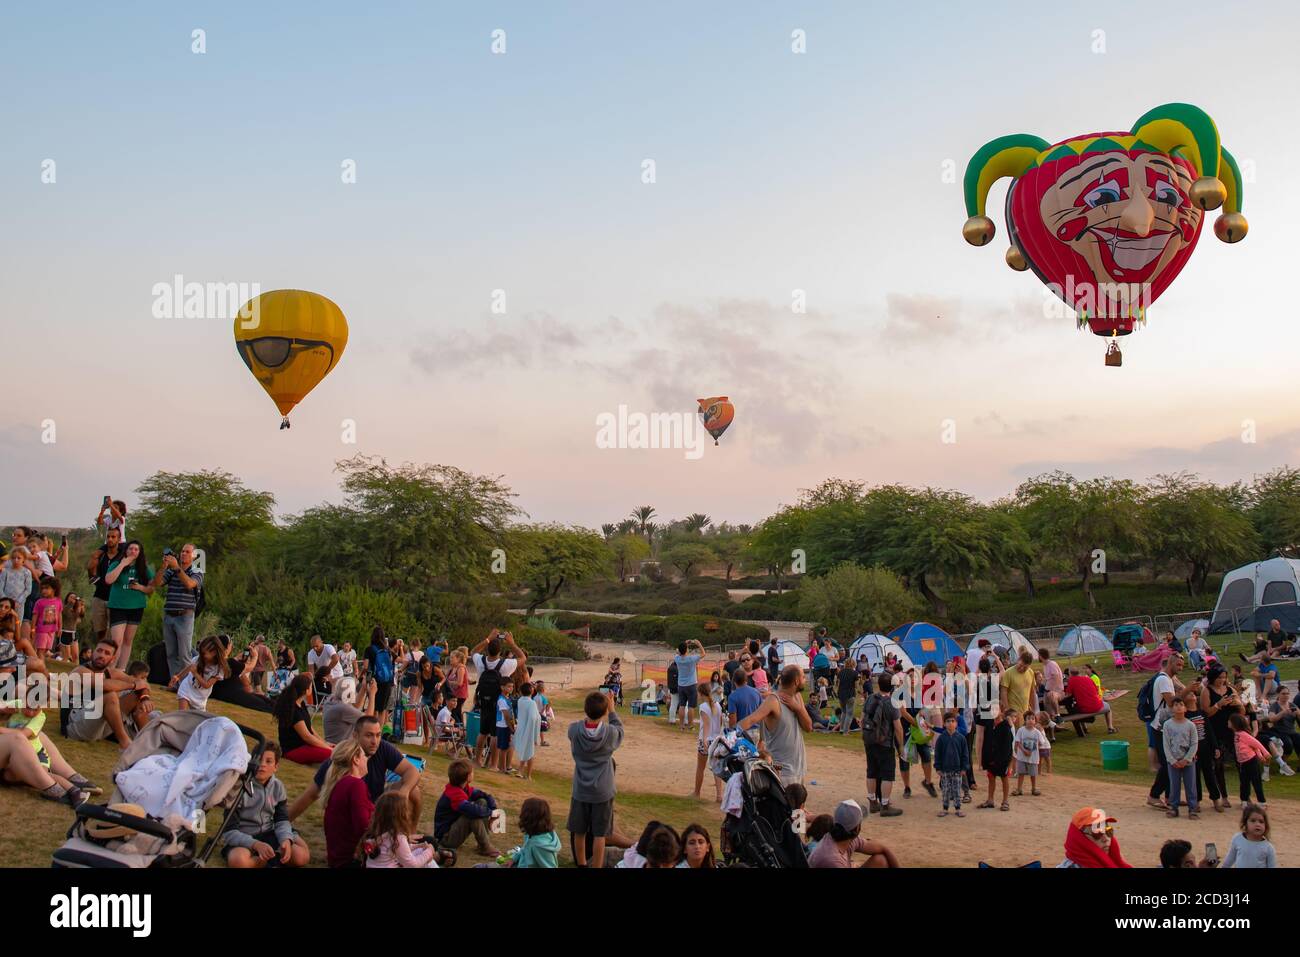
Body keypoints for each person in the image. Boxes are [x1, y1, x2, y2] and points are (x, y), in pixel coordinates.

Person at [291, 714, 421, 823]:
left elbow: (412, 771)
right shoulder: (341, 758)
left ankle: (410, 835)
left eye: (378, 735)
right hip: (352, 814)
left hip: (375, 805)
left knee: (414, 790)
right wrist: (283, 824)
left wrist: (404, 791)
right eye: (369, 735)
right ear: (355, 736)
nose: (374, 741)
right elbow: (310, 795)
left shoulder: (382, 748)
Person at [223, 742, 311, 868]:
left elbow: (282, 820)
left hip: (270, 832)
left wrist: (285, 839)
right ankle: (263, 861)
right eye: (259, 760)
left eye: (268, 761)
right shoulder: (238, 787)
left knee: (302, 856)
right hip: (245, 838)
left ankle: (272, 854)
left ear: (276, 766)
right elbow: (229, 831)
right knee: (238, 861)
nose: (262, 764)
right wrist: (255, 844)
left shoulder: (278, 786)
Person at [567, 689, 623, 868]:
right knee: (600, 834)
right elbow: (620, 730)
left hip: (581, 789)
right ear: (605, 711)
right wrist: (612, 710)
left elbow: (576, 729)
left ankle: (582, 864)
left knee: (579, 831)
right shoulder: (610, 734)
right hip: (603, 791)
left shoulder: (574, 730)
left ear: (585, 709)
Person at [68, 637, 155, 749]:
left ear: (112, 659)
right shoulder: (80, 671)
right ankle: (125, 743)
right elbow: (104, 685)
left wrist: (145, 698)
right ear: (93, 653)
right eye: (99, 651)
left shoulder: (113, 672)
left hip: (99, 726)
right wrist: (133, 685)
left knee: (136, 697)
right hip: (75, 725)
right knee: (110, 695)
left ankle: (147, 742)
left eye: (107, 653)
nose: (102, 655)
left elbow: (143, 683)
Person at [738, 665, 810, 787]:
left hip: (799, 768)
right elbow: (751, 719)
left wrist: (798, 708)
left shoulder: (797, 697)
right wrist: (729, 734)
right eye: (803, 677)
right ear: (796, 681)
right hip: (783, 771)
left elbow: (808, 727)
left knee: (799, 806)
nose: (806, 679)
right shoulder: (773, 700)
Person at [469, 629, 525, 765]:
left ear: (487, 650)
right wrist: (512, 644)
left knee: (482, 732)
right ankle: (493, 764)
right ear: (500, 651)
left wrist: (488, 638)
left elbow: (473, 652)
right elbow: (523, 658)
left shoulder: (480, 660)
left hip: (483, 700)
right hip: (498, 701)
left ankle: (477, 760)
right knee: (494, 734)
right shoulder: (506, 664)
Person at [150, 543, 202, 682]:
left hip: (184, 616)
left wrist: (177, 568)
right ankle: (175, 683)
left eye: (187, 552)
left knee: (184, 654)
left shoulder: (196, 571)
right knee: (171, 653)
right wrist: (164, 567)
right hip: (169, 614)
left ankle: (185, 685)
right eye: (182, 551)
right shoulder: (171, 571)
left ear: (194, 555)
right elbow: (156, 583)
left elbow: (190, 584)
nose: (183, 554)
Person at [432, 758, 500, 858]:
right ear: (468, 776)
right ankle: (485, 846)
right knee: (472, 814)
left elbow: (484, 795)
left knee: (482, 801)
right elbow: (472, 810)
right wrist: (492, 814)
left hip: (453, 829)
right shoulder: (454, 794)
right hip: (445, 839)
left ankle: (483, 844)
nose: (474, 774)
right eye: (472, 772)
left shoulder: (464, 788)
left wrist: (493, 809)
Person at [321, 738, 373, 867]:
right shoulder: (356, 785)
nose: (366, 759)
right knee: (427, 844)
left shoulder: (338, 783)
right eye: (364, 755)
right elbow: (363, 827)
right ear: (355, 759)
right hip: (352, 861)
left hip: (338, 860)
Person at [363, 792, 446, 868]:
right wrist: (430, 851)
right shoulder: (397, 837)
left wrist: (417, 846)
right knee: (426, 857)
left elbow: (399, 850)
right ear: (401, 816)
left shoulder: (377, 830)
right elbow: (413, 865)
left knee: (421, 850)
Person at [807, 800, 899, 868]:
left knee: (880, 860)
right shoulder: (832, 860)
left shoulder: (844, 837)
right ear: (857, 828)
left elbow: (883, 848)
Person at [862, 673, 905, 817]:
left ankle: (873, 802)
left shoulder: (869, 698)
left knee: (871, 771)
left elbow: (863, 719)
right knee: (887, 774)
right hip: (885, 742)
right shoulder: (892, 703)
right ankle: (885, 805)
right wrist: (900, 746)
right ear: (892, 687)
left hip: (869, 741)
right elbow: (898, 728)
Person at [275, 673, 332, 764]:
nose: (312, 689)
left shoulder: (301, 704)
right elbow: (307, 737)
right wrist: (328, 748)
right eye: (310, 687)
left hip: (304, 746)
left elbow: (310, 729)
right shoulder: (294, 709)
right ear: (306, 691)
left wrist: (325, 743)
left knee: (336, 749)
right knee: (334, 755)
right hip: (293, 750)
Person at [169, 634, 229, 711]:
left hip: (200, 697)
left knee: (197, 719)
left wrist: (196, 674)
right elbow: (190, 667)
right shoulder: (199, 658)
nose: (202, 655)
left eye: (204, 653)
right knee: (182, 713)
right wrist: (178, 676)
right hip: (188, 688)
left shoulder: (218, 669)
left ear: (214, 652)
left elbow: (207, 685)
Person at [84, 528, 123, 645]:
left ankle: (111, 658)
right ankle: (100, 654)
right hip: (99, 596)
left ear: (119, 539)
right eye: (108, 537)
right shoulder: (101, 555)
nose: (110, 539)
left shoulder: (122, 557)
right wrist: (92, 563)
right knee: (100, 631)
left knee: (114, 632)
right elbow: (91, 577)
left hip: (115, 598)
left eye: (113, 537)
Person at [1162, 695, 1199, 819]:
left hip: (1188, 760)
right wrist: (1172, 760)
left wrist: (1187, 759)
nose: (1178, 707)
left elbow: (1194, 743)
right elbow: (1166, 744)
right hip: (1173, 760)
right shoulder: (1167, 725)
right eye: (1176, 705)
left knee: (1190, 785)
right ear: (1172, 709)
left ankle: (1192, 808)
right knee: (1174, 785)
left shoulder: (1190, 725)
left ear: (1185, 709)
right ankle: (1173, 807)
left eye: (1181, 705)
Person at [1058, 807, 1130, 868]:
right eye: (1097, 833)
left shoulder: (1114, 860)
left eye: (1108, 831)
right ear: (1079, 839)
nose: (1106, 839)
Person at [506, 797, 561, 868]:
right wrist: (514, 858)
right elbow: (526, 848)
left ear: (528, 817)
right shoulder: (532, 834)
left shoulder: (539, 845)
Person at [324, 674, 377, 745]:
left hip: (333, 745)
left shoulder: (332, 699)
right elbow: (368, 719)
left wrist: (363, 689)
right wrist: (372, 694)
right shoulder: (342, 708)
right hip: (341, 749)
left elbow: (354, 706)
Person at [934, 711, 969, 818]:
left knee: (957, 789)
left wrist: (964, 767)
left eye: (953, 721)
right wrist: (938, 767)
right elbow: (937, 754)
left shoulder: (961, 738)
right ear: (944, 724)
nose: (950, 723)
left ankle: (958, 809)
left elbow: (965, 754)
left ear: (956, 723)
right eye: (948, 721)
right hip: (945, 770)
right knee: (945, 790)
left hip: (957, 770)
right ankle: (945, 808)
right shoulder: (941, 738)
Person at [693, 680, 724, 801]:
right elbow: (720, 722)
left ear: (701, 694)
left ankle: (697, 792)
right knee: (716, 768)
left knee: (700, 767)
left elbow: (706, 724)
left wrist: (705, 739)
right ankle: (719, 795)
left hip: (706, 740)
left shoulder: (703, 707)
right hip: (716, 739)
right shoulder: (717, 705)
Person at [979, 707, 1014, 812]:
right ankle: (990, 800)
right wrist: (985, 758)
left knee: (1004, 778)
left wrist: (1002, 761)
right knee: (991, 778)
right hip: (990, 758)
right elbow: (986, 742)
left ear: (1001, 711)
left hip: (1002, 759)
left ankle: (1005, 801)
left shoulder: (1005, 727)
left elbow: (1007, 747)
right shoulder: (989, 724)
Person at [1231, 712, 1268, 806]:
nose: (1228, 722)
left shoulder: (1244, 734)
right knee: (1244, 782)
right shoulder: (1236, 734)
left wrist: (1264, 754)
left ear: (1235, 723)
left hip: (1251, 761)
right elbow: (1252, 746)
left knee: (1256, 782)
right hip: (1243, 762)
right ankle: (1244, 801)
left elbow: (1256, 744)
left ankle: (1261, 802)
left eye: (1229, 721)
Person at [1222, 804, 1276, 868]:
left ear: (1266, 825)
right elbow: (1230, 858)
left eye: (1261, 822)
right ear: (1245, 823)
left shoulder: (1268, 848)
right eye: (1253, 821)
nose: (1257, 824)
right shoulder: (1237, 838)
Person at [672, 639, 705, 730]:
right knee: (691, 706)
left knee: (682, 705)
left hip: (681, 685)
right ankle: (690, 725)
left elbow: (677, 651)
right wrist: (699, 644)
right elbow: (703, 654)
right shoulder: (691, 659)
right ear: (687, 650)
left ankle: (681, 725)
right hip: (691, 684)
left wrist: (684, 644)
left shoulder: (677, 658)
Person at [364, 626, 397, 716]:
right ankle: (379, 729)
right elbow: (397, 660)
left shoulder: (369, 649)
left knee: (373, 706)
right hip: (387, 681)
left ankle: (372, 728)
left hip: (374, 681)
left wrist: (362, 676)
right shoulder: (387, 650)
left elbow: (366, 666)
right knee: (382, 709)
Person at [1012, 710, 1043, 798]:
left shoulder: (1037, 732)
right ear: (1025, 720)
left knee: (1033, 774)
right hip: (1022, 756)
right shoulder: (1021, 730)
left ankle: (1033, 788)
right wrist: (1024, 750)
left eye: (1033, 719)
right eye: (1028, 718)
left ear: (1035, 721)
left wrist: (1033, 749)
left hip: (1033, 758)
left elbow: (1041, 742)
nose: (1030, 720)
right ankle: (1019, 789)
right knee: (1021, 773)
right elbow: (1017, 742)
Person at [493, 677, 517, 774]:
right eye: (509, 687)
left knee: (506, 747)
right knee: (503, 748)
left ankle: (504, 767)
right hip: (503, 726)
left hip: (507, 725)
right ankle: (502, 768)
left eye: (512, 686)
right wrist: (511, 728)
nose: (511, 689)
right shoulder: (502, 700)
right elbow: (506, 716)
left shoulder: (508, 698)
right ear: (502, 687)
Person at [58, 591, 84, 665]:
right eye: (71, 597)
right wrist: (70, 603)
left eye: (74, 597)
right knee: (66, 657)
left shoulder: (75, 610)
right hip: (64, 632)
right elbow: (65, 613)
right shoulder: (64, 607)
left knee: (76, 656)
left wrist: (80, 606)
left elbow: (79, 617)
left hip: (74, 633)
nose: (73, 599)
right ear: (67, 598)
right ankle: (62, 673)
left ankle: (76, 674)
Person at [835, 657, 857, 735]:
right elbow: (856, 685)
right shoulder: (854, 673)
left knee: (844, 712)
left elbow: (837, 683)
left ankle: (841, 728)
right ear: (853, 664)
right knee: (849, 713)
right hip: (850, 694)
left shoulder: (841, 672)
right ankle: (846, 731)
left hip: (841, 694)